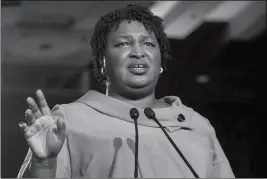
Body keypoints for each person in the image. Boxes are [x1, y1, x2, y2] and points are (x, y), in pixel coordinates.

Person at [17, 4, 235, 178]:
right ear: (103, 63)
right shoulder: (68, 120)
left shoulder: (196, 124)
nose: (138, 52)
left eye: (149, 44)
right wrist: (43, 164)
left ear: (160, 61)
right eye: (123, 44)